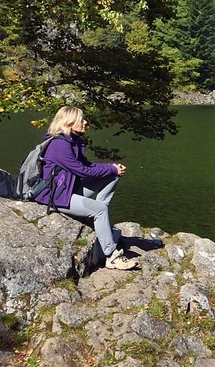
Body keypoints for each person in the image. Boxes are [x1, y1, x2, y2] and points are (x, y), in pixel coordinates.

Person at [34, 105, 139, 271]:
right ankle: (112, 256)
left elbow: (86, 166)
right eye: (80, 120)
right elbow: (82, 171)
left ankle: (98, 220)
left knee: (111, 176)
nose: (85, 122)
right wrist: (111, 167)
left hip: (68, 189)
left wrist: (112, 168)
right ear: (69, 123)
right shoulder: (59, 145)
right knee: (100, 209)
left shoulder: (72, 142)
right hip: (55, 196)